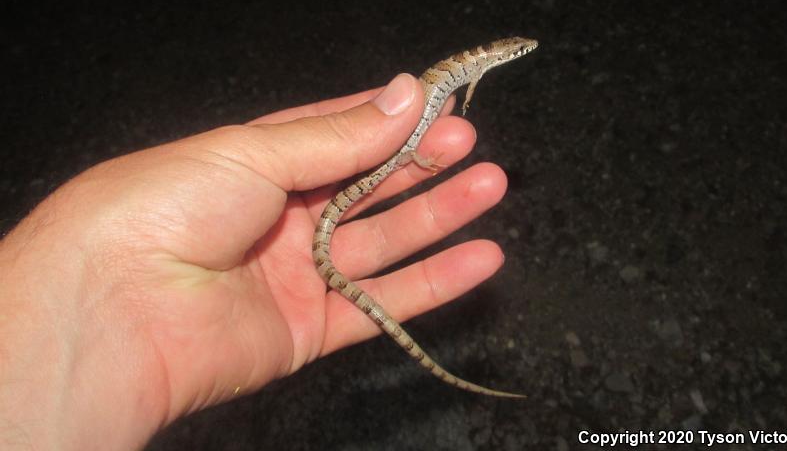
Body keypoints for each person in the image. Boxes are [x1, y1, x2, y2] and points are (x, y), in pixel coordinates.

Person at [0, 74, 510, 450]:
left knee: (398, 167)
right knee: (392, 167)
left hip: (378, 173)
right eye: (516, 51)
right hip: (373, 173)